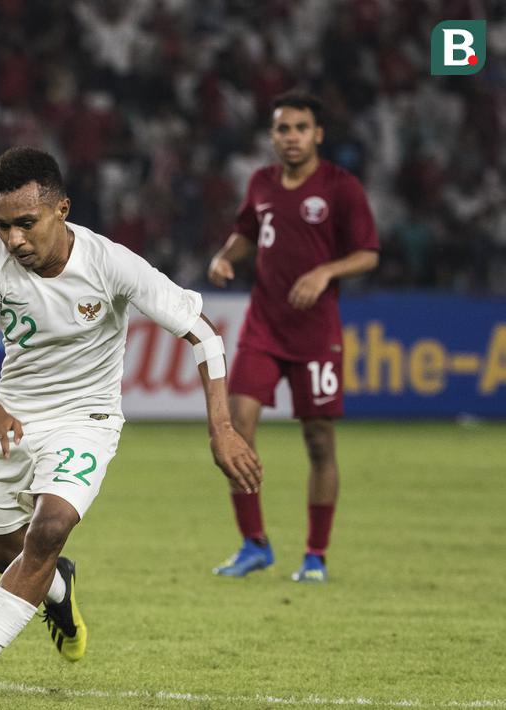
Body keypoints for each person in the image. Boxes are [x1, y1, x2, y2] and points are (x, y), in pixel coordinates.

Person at [0, 147, 262, 705]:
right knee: (6, 555)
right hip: (13, 418)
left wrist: (222, 428)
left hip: (86, 418)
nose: (13, 239)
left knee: (48, 530)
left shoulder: (112, 263)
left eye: (26, 223)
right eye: (1, 225)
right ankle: (58, 586)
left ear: (61, 209)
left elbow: (204, 334)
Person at [208, 91, 378, 583]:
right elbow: (245, 233)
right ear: (272, 136)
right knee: (236, 429)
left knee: (319, 442)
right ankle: (254, 544)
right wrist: (224, 256)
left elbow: (368, 253)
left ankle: (316, 555)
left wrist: (325, 272)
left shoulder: (341, 188)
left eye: (301, 128)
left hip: (315, 334)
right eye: (283, 129)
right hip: (263, 326)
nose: (292, 137)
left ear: (318, 134)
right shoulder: (261, 182)